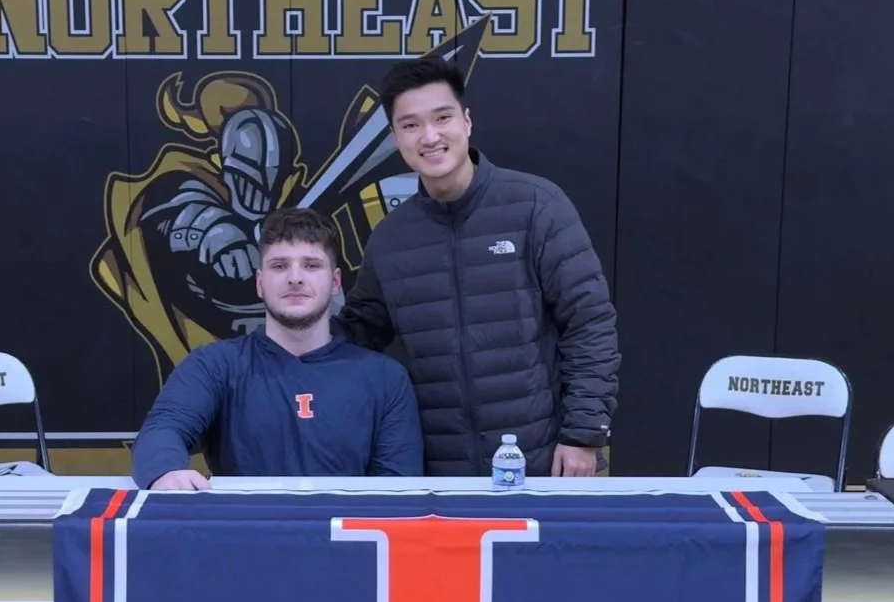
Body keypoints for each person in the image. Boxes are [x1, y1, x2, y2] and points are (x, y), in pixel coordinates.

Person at [337, 55, 620, 479]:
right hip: (440, 474)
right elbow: (358, 336)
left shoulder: (537, 206)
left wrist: (582, 435)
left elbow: (590, 325)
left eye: (442, 117)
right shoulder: (391, 239)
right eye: (410, 125)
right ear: (396, 138)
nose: (429, 136)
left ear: (466, 122)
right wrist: (288, 333)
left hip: (545, 463)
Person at [132, 207, 423, 491]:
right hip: (242, 536)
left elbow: (396, 492)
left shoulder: (385, 378)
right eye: (279, 266)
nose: (295, 278)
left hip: (345, 537)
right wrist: (166, 471)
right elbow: (162, 430)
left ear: (335, 282)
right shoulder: (215, 365)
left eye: (311, 265)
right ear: (260, 283)